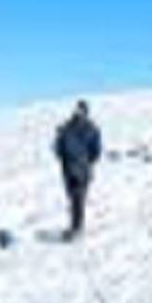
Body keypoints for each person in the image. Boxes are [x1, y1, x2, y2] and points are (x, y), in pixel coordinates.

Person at [53, 100, 103, 241]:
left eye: (81, 110)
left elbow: (96, 151)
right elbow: (58, 148)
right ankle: (75, 227)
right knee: (74, 198)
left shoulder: (91, 129)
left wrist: (85, 161)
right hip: (71, 168)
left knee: (77, 199)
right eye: (78, 110)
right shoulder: (67, 128)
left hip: (78, 169)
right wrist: (66, 159)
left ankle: (77, 229)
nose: (79, 113)